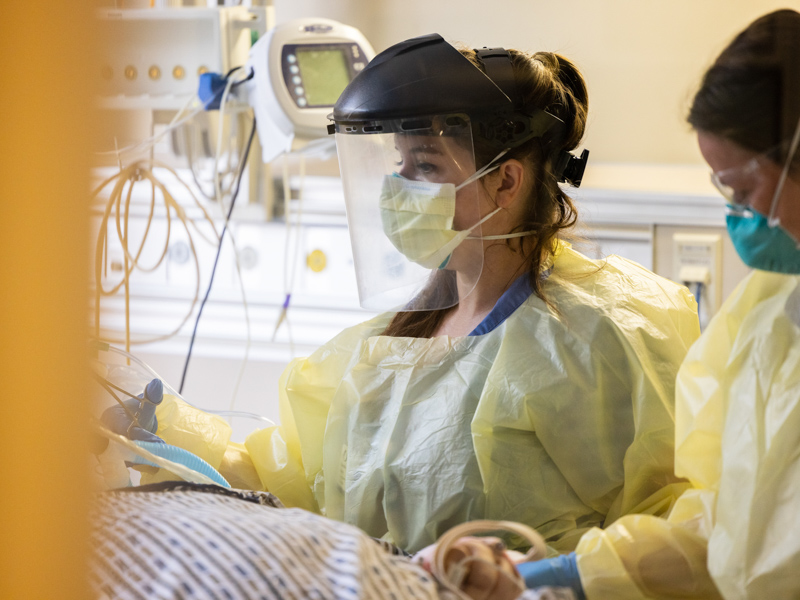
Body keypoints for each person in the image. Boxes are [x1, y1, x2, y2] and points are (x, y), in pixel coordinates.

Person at [144, 33, 700, 557]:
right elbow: (294, 489)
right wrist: (156, 428)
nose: (398, 188)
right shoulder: (398, 341)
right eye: (399, 164)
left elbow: (668, 539)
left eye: (426, 166)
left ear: (506, 181)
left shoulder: (599, 335)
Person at [459, 9, 800, 599]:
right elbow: (727, 525)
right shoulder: (771, 311)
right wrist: (575, 574)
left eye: (743, 190)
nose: (737, 215)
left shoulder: (609, 324)